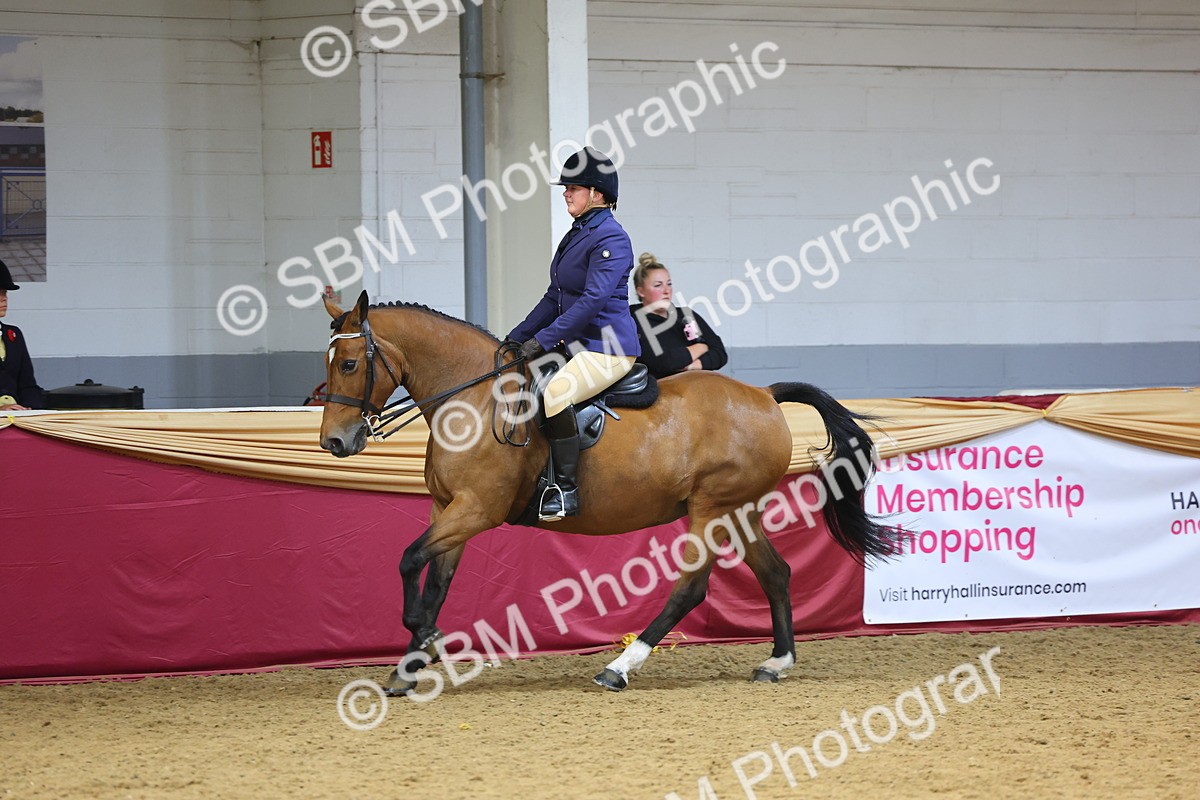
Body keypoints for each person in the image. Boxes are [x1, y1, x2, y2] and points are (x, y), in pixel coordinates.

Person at [506, 147, 640, 522]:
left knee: (556, 393)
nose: (566, 193)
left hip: (608, 348)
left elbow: (593, 301)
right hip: (576, 344)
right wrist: (515, 337)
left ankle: (565, 490)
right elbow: (555, 297)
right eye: (565, 188)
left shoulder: (611, 237)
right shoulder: (577, 233)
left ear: (597, 193)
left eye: (573, 188)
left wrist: (544, 341)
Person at [629, 253, 727, 378]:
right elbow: (664, 362)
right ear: (640, 291)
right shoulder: (633, 320)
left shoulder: (686, 314)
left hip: (696, 386)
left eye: (669, 284)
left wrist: (691, 366)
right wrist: (701, 347)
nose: (666, 290)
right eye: (658, 285)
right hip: (661, 392)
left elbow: (720, 353)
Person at [0, 258, 43, 410]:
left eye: (4, 292)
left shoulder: (14, 334)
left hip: (16, 419)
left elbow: (28, 385)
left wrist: (30, 409)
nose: (4, 298)